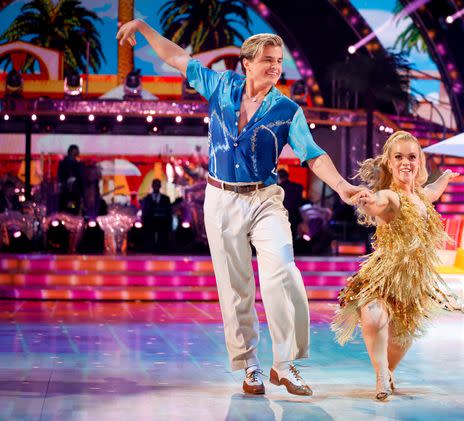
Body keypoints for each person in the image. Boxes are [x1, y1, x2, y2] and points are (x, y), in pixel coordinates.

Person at [117, 22, 363, 396]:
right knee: (235, 288)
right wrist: (141, 27)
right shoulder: (220, 86)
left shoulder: (286, 110)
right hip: (220, 199)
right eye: (267, 60)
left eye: (279, 61)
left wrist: (343, 186)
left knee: (282, 270)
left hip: (264, 198)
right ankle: (250, 366)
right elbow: (175, 55)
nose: (275, 67)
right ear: (246, 63)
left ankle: (285, 364)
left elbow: (312, 154)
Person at [331, 131, 464, 401]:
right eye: (399, 157)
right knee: (375, 316)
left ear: (419, 162)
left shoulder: (422, 196)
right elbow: (380, 204)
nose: (406, 162)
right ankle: (380, 376)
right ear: (389, 163)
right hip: (383, 274)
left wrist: (446, 177)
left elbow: (434, 191)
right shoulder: (389, 195)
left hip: (412, 281)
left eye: (412, 157)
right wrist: (369, 202)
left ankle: (388, 371)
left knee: (402, 338)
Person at [141, 179, 173, 253]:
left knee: (162, 237)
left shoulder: (166, 198)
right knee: (150, 237)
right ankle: (150, 249)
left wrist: (169, 224)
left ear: (160, 186)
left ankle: (161, 249)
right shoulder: (147, 198)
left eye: (158, 185)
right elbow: (144, 211)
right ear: (152, 186)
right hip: (150, 221)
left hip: (162, 222)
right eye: (155, 185)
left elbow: (169, 211)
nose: (156, 186)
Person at [277, 168, 304, 239]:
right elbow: (300, 203)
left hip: (280, 218)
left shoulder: (277, 189)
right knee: (292, 239)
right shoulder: (297, 187)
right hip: (294, 217)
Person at [57, 144, 84, 215]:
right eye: (73, 151)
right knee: (66, 209)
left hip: (75, 191)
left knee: (74, 210)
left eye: (75, 152)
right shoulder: (63, 163)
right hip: (66, 191)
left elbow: (81, 178)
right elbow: (60, 177)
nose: (74, 153)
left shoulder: (79, 164)